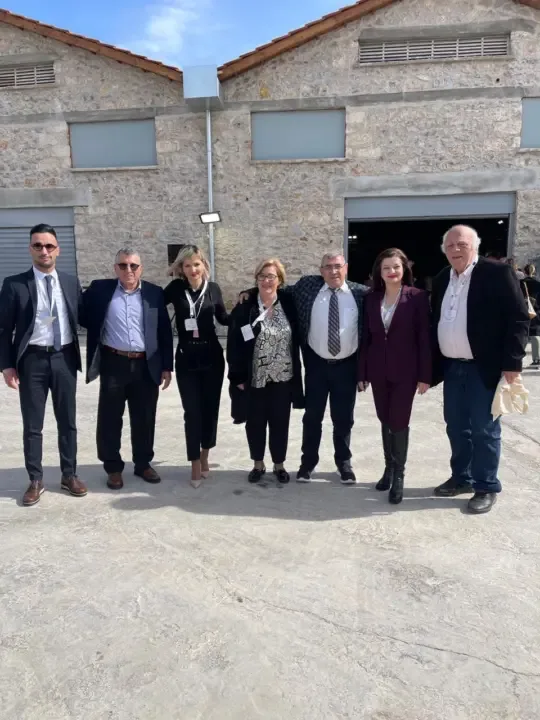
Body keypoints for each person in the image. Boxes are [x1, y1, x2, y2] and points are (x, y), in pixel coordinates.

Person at [240, 250, 368, 483]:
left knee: (343, 418)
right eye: (328, 267)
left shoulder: (361, 293)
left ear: (346, 268)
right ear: (321, 271)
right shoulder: (308, 288)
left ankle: (343, 463)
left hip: (347, 367)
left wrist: (365, 371)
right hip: (316, 365)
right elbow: (276, 288)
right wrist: (250, 291)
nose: (333, 271)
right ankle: (308, 463)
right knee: (312, 418)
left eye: (338, 266)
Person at [431, 225, 529, 514]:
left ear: (475, 246)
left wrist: (512, 363)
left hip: (484, 368)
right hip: (452, 367)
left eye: (461, 244)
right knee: (456, 427)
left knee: (484, 430)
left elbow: (518, 318)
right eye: (449, 246)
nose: (455, 249)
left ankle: (486, 485)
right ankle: (462, 477)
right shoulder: (442, 278)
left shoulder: (496, 273)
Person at [0, 223, 87, 506]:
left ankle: (69, 474)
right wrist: (7, 366)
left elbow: (85, 316)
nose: (44, 251)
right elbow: (3, 329)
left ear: (58, 250)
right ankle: (35, 479)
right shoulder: (14, 284)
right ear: (30, 249)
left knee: (68, 422)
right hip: (32, 361)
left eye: (49, 245)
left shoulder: (70, 282)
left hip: (64, 358)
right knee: (33, 425)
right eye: (38, 245)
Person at [82, 248, 173, 489]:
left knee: (144, 417)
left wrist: (167, 366)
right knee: (110, 418)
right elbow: (79, 312)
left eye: (133, 265)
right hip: (114, 362)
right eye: (123, 265)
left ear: (141, 268)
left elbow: (164, 331)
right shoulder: (100, 290)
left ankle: (143, 463)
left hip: (146, 364)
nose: (128, 270)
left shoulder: (154, 293)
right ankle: (113, 467)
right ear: (116, 268)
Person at [358, 248, 431, 504]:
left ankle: (399, 475)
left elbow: (424, 338)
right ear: (379, 272)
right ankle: (388, 468)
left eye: (396, 267)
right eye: (386, 267)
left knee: (399, 421)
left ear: (404, 269)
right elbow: (366, 338)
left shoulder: (417, 297)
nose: (392, 271)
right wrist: (362, 372)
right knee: (384, 418)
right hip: (378, 370)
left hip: (406, 372)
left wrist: (425, 375)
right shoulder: (371, 299)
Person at [227, 258, 304, 484]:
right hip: (255, 379)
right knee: (255, 424)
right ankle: (258, 464)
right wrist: (237, 376)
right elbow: (234, 344)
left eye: (271, 276)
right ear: (256, 279)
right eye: (262, 277)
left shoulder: (288, 303)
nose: (267, 281)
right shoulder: (245, 308)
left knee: (280, 423)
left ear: (279, 280)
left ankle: (279, 465)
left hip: (283, 378)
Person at [164, 245, 229, 488]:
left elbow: (223, 318)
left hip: (212, 358)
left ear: (204, 265)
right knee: (192, 412)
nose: (193, 269)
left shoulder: (213, 289)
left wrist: (249, 305)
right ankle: (193, 462)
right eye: (188, 265)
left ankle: (204, 455)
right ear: (181, 268)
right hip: (186, 358)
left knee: (210, 410)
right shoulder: (175, 288)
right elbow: (153, 304)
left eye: (197, 264)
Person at [523, 263, 540, 368]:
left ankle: (517, 358)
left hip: (522, 311)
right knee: (535, 335)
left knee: (521, 334)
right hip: (536, 311)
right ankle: (536, 358)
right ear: (533, 271)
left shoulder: (520, 283)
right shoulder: (538, 284)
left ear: (524, 272)